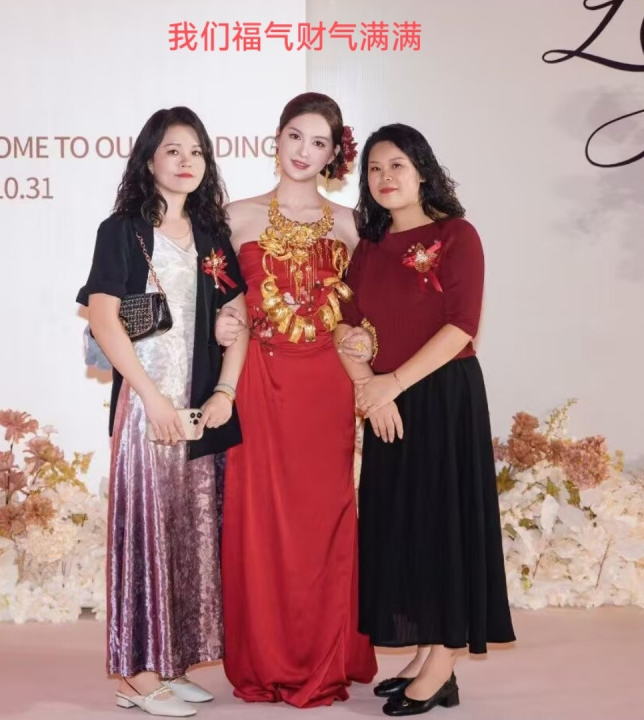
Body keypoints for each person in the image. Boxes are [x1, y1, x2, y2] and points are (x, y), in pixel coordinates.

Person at [335, 123, 516, 716]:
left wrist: (391, 383)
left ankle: (444, 659)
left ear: (422, 171)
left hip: (442, 397)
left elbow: (461, 326)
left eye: (397, 166)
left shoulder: (456, 235)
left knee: (443, 523)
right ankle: (425, 651)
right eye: (374, 169)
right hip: (388, 404)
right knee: (404, 524)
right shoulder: (370, 246)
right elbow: (345, 326)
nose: (385, 178)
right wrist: (370, 389)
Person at [76, 107, 249, 717]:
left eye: (196, 151)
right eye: (173, 150)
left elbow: (238, 318)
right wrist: (151, 398)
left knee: (189, 535)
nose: (186, 162)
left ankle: (171, 664)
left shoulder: (210, 235)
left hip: (199, 411)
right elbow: (104, 319)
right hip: (147, 409)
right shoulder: (122, 230)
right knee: (144, 537)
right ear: (149, 159)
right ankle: (137, 676)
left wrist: (225, 391)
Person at [214, 92, 377, 708]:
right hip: (259, 382)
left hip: (326, 389)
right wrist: (220, 325)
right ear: (277, 138)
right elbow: (212, 301)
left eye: (319, 142)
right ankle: (265, 657)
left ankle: (323, 656)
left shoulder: (351, 226)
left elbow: (367, 311)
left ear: (334, 154)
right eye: (295, 136)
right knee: (260, 521)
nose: (304, 151)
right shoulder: (235, 217)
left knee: (324, 519)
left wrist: (367, 340)